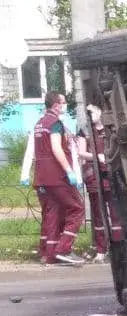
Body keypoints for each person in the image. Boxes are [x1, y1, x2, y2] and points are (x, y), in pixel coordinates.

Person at [23, 91, 86, 267]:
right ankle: (64, 249)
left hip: (41, 177)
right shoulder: (55, 123)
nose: (65, 105)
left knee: (52, 212)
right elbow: (56, 148)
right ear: (56, 105)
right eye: (63, 102)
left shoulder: (39, 123)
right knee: (77, 209)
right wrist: (69, 171)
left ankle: (48, 254)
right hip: (57, 177)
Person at [75, 104, 120, 263]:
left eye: (92, 111)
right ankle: (101, 250)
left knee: (116, 212)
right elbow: (80, 152)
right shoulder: (85, 131)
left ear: (100, 112)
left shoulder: (110, 129)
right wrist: (97, 156)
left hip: (111, 174)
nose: (89, 115)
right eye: (87, 112)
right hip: (93, 176)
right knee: (98, 214)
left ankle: (119, 248)